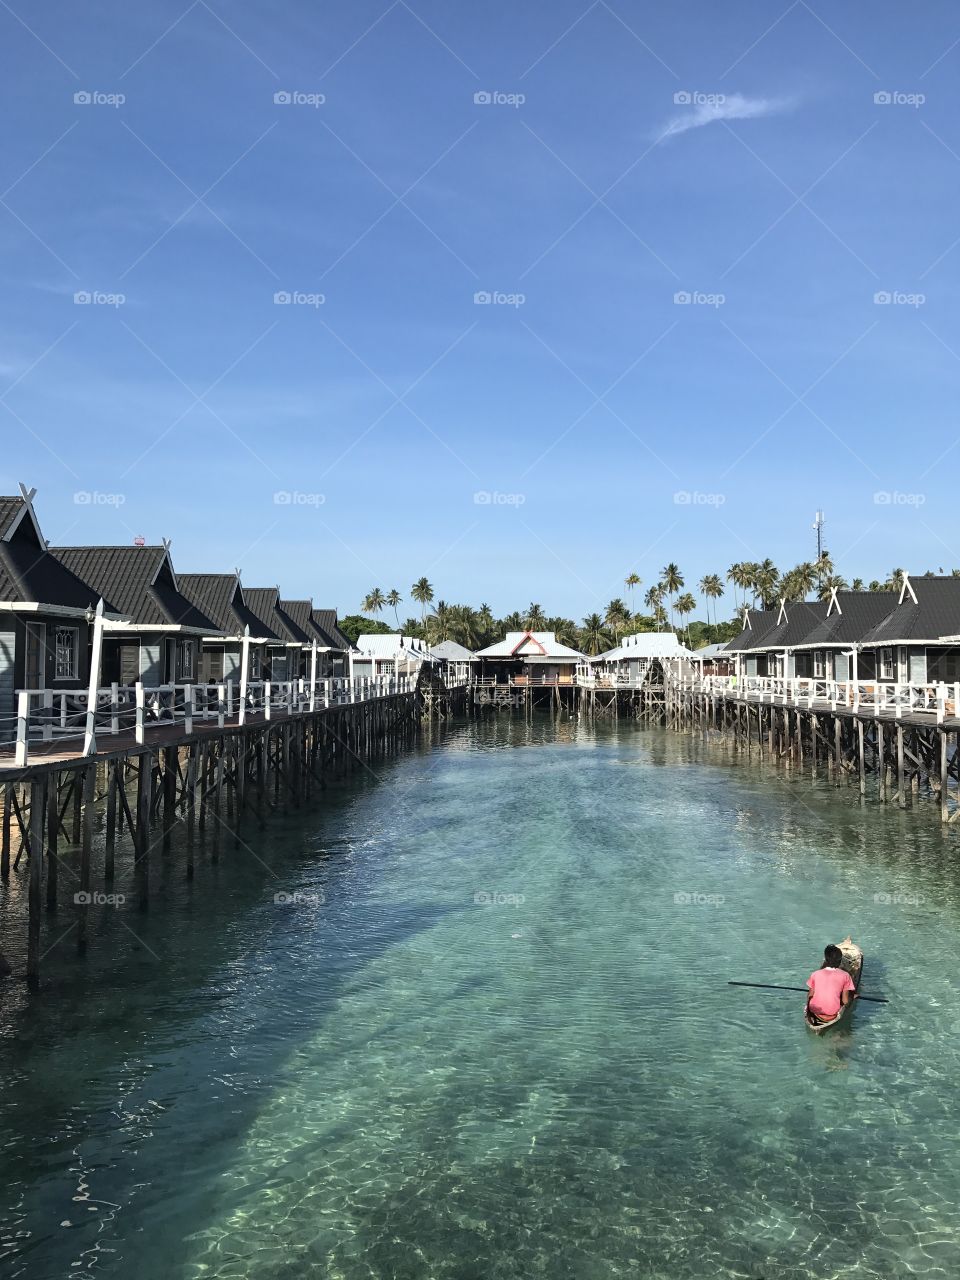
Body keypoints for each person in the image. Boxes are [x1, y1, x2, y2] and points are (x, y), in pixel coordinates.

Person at [806, 944, 858, 1023]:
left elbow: (809, 995)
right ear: (840, 961)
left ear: (826, 960)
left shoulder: (815, 974)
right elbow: (845, 1001)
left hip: (813, 1010)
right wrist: (852, 998)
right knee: (849, 997)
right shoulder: (846, 975)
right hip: (832, 1013)